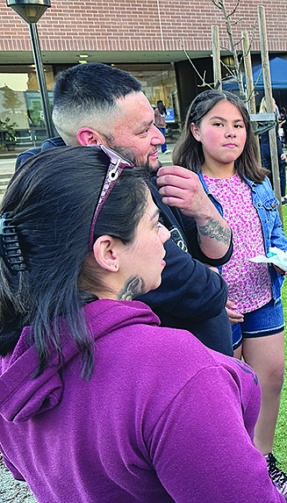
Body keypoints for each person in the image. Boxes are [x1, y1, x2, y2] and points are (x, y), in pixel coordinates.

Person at [0, 145, 287, 503]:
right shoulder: (175, 370)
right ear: (108, 252)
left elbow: (29, 470)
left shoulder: (13, 353)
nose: (165, 237)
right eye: (154, 223)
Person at [15, 63, 234, 356]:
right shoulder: (82, 205)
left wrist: (205, 209)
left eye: (154, 123)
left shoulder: (141, 171)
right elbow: (204, 292)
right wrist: (212, 278)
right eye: (144, 130)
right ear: (92, 141)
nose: (159, 137)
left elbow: (218, 252)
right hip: (161, 377)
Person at [174, 89, 287, 503]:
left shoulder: (258, 180)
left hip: (263, 295)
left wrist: (284, 256)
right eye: (218, 124)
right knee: (228, 394)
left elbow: (274, 233)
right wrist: (209, 293)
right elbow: (176, 252)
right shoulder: (182, 184)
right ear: (195, 130)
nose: (231, 133)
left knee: (270, 378)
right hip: (218, 307)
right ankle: (237, 473)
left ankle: (264, 460)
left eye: (238, 125)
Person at [260, 97, 287, 204]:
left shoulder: (260, 117)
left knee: (267, 174)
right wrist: (281, 152)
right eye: (274, 103)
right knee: (280, 172)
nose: (275, 105)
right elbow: (275, 137)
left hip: (263, 148)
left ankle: (269, 196)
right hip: (272, 147)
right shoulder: (272, 118)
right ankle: (281, 196)